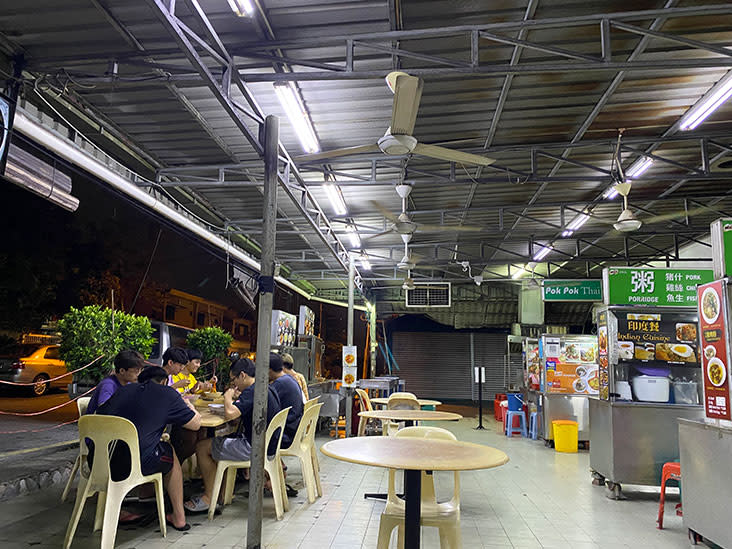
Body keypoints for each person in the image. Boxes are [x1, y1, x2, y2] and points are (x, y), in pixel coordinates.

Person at [97, 366, 201, 531]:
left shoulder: (125, 390)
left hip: (99, 461)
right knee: (169, 451)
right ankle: (179, 517)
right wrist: (189, 406)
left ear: (140, 380)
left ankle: (141, 496)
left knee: (149, 444)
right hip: (136, 465)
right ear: (165, 381)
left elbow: (100, 413)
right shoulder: (167, 394)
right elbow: (195, 425)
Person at [185, 358, 281, 512]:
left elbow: (230, 414)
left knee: (202, 447)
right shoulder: (265, 387)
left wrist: (228, 397)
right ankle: (221, 494)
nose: (234, 384)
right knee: (216, 442)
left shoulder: (252, 391)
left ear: (242, 375)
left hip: (255, 449)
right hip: (268, 445)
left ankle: (209, 498)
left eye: (233, 380)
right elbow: (237, 419)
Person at [86, 350, 144, 414]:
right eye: (136, 371)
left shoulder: (129, 385)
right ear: (122, 371)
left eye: (141, 370)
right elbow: (104, 409)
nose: (139, 374)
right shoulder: (108, 385)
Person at [268, 353, 303, 449]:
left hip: (285, 435)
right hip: (293, 430)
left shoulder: (280, 383)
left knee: (255, 434)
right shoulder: (289, 379)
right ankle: (278, 464)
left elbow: (262, 401)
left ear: (269, 370)